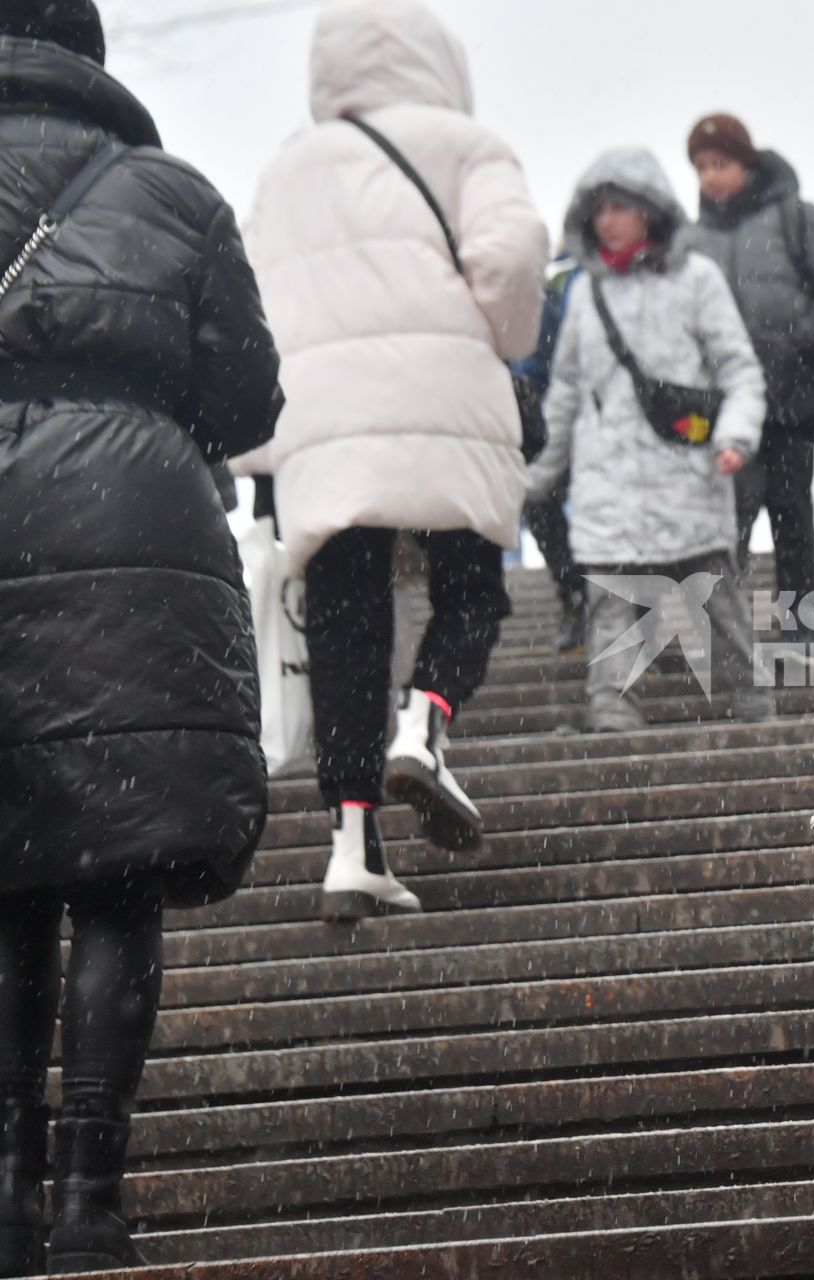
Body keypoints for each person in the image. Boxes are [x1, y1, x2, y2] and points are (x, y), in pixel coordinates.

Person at [0, 1, 283, 1269]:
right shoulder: (169, 194)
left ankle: (4, 1184)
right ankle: (87, 1197)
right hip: (133, 515)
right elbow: (244, 394)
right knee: (117, 874)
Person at [234, 0, 549, 920]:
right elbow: (515, 257)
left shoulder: (289, 167)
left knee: (345, 629)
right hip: (441, 395)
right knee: (471, 591)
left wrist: (263, 458)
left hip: (326, 421)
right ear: (435, 59)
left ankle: (349, 848)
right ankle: (426, 722)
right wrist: (499, 334)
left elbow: (254, 308)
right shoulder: (468, 146)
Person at [528, 148, 774, 733]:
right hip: (607, 481)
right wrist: (541, 472)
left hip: (687, 473)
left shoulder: (697, 279)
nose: (607, 219)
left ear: (649, 210)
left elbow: (739, 369)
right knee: (613, 604)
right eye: (599, 209)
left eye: (619, 206)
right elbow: (564, 389)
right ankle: (615, 723)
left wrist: (736, 435)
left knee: (718, 606)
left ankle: (758, 718)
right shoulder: (586, 291)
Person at [682, 114, 814, 649]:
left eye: (721, 164)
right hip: (725, 410)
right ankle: (727, 636)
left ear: (747, 163)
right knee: (727, 524)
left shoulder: (796, 218)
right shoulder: (691, 242)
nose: (711, 177)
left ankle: (801, 628)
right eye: (701, 168)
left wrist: (798, 340)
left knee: (792, 516)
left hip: (791, 400)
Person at [515, 249, 590, 654]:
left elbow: (555, 368)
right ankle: (575, 595)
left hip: (563, 424)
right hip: (524, 432)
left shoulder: (542, 303)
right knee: (539, 508)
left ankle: (589, 600)